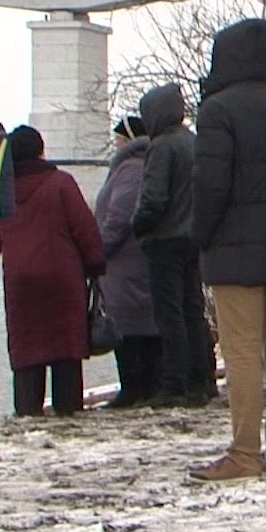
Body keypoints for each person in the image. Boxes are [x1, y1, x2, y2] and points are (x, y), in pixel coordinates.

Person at [188, 18, 266, 481]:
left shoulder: (217, 111)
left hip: (233, 252)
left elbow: (210, 186)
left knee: (241, 352)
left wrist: (199, 236)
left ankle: (243, 453)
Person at [0, 125, 107, 417]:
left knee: (27, 351)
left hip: (21, 284)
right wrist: (96, 265)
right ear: (40, 151)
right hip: (63, 281)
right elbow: (84, 230)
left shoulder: (4, 191)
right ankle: (68, 411)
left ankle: (28, 412)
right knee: (65, 349)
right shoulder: (61, 183)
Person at [132, 82, 218, 408]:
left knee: (169, 314)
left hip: (165, 239)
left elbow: (154, 198)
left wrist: (138, 226)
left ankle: (174, 383)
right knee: (193, 310)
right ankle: (203, 379)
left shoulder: (162, 147)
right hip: (193, 237)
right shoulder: (194, 143)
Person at [94, 116, 161, 409]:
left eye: (119, 137)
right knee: (137, 321)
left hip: (125, 260)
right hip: (132, 259)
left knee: (130, 323)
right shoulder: (137, 166)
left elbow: (120, 217)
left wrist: (100, 247)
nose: (116, 143)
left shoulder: (131, 170)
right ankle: (142, 385)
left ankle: (136, 387)